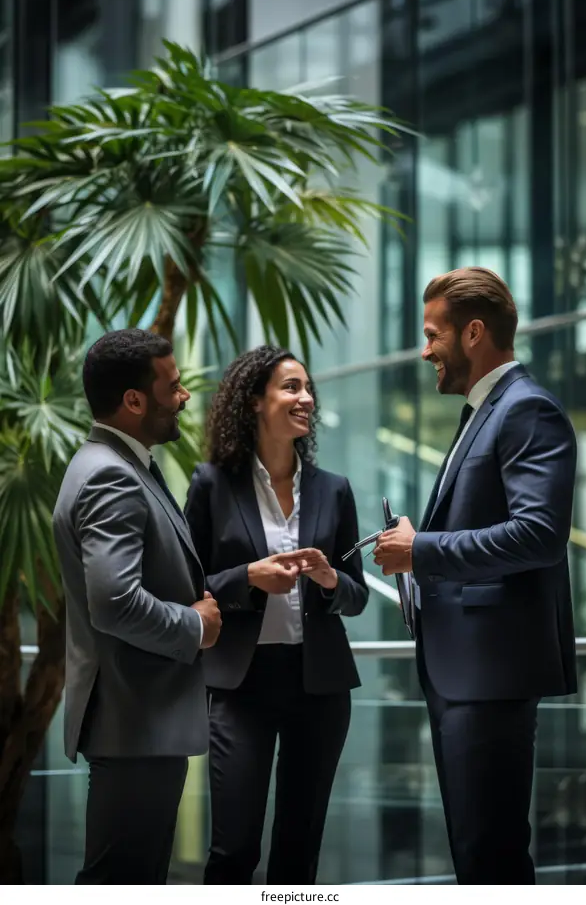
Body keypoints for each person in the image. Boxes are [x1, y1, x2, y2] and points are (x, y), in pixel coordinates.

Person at [374, 267, 577, 885]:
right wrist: (418, 550)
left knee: (490, 856)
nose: (425, 349)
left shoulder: (527, 410)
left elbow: (538, 536)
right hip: (466, 674)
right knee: (476, 850)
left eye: (433, 334)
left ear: (474, 333)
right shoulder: (486, 410)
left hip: (490, 675)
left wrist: (423, 550)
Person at [184, 344, 368, 884]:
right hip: (242, 686)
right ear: (253, 402)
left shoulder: (334, 490)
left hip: (321, 686)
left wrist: (331, 578)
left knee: (299, 849)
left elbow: (355, 595)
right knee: (234, 849)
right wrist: (248, 578)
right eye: (291, 387)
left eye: (308, 388)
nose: (305, 397)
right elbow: (188, 585)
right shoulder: (211, 484)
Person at [52, 329, 222, 884]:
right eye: (172, 386)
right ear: (133, 400)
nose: (183, 397)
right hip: (135, 724)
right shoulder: (109, 474)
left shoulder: (119, 463)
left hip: (138, 724)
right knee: (119, 882)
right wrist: (195, 625)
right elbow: (115, 602)